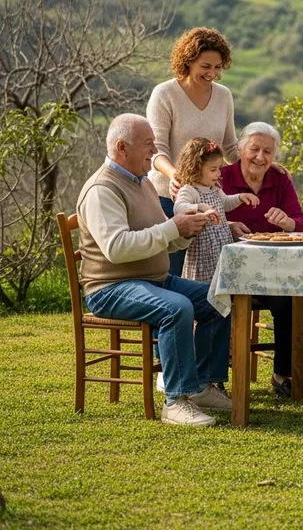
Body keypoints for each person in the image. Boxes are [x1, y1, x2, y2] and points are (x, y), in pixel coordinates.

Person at [77, 114, 233, 427]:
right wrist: (173, 226)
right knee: (177, 308)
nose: (155, 150)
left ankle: (202, 385)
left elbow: (159, 237)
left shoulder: (143, 183)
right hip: (110, 288)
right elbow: (117, 248)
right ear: (122, 147)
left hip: (153, 279)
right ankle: (176, 400)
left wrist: (185, 232)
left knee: (219, 298)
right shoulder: (102, 189)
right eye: (149, 144)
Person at [221, 122, 303, 397]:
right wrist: (229, 225)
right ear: (239, 149)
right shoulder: (221, 177)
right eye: (254, 149)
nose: (260, 157)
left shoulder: (279, 180)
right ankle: (215, 378)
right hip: (226, 271)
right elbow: (206, 217)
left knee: (288, 300)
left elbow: (302, 223)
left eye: (268, 152)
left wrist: (288, 223)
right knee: (216, 305)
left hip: (270, 273)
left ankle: (282, 373)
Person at [146, 27, 239, 278]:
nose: (212, 74)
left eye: (218, 67)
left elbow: (230, 146)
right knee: (172, 274)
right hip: (168, 198)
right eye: (205, 66)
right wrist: (176, 175)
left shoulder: (224, 96)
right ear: (187, 62)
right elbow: (156, 151)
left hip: (209, 199)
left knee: (207, 276)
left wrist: (264, 165)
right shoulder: (164, 94)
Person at [172, 138, 259, 283]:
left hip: (221, 247)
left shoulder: (214, 188)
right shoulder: (190, 190)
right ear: (195, 168)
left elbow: (225, 203)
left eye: (219, 168)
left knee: (222, 282)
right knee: (204, 286)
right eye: (213, 169)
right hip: (203, 252)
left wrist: (240, 197)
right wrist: (199, 207)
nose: (218, 173)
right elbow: (179, 207)